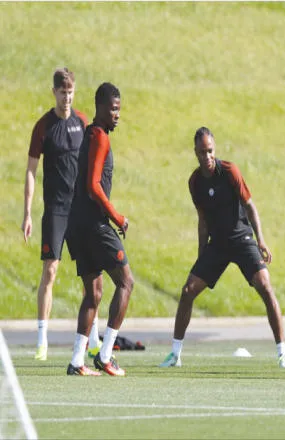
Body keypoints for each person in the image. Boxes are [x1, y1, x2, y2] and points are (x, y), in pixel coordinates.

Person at [159, 127, 285, 369]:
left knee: (265, 285)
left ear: (214, 149)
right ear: (196, 152)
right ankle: (175, 354)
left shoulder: (230, 171)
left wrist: (261, 240)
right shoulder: (195, 182)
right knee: (188, 291)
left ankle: (282, 353)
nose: (207, 156)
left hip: (242, 239)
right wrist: (201, 256)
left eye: (210, 151)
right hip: (217, 244)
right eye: (202, 152)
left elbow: (250, 207)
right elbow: (202, 221)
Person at [23, 68, 102, 361]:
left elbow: (95, 164)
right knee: (50, 270)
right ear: (53, 92)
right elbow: (31, 171)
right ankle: (42, 341)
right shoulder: (43, 127)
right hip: (56, 210)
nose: (66, 98)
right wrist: (27, 213)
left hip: (81, 209)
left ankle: (93, 339)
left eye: (70, 92)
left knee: (90, 274)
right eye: (62, 93)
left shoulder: (82, 122)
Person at [66, 82, 135, 376]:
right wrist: (118, 218)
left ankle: (76, 361)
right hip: (94, 225)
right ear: (101, 107)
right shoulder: (100, 137)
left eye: (119, 109)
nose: (117, 114)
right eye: (113, 109)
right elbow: (93, 186)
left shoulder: (90, 134)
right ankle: (105, 356)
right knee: (126, 282)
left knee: (93, 293)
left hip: (76, 225)